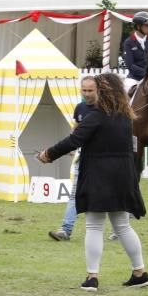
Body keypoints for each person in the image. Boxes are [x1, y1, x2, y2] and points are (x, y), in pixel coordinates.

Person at [37, 72, 148, 291]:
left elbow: (74, 140)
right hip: (123, 175)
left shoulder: (97, 116)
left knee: (94, 225)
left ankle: (92, 277)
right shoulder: (126, 117)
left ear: (103, 91)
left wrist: (48, 154)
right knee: (123, 226)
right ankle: (140, 272)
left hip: (100, 175)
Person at [49, 76, 97, 241]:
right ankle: (65, 230)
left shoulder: (104, 109)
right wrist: (72, 146)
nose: (87, 94)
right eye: (84, 90)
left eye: (90, 90)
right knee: (74, 195)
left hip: (101, 161)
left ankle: (119, 230)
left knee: (108, 197)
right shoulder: (80, 108)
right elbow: (75, 130)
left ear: (98, 90)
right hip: (83, 159)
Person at [122, 11, 148, 93]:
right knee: (127, 91)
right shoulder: (129, 42)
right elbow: (130, 65)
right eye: (147, 25)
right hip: (135, 78)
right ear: (138, 26)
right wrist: (146, 73)